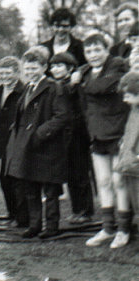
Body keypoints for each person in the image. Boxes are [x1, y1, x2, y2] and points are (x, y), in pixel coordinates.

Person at [73, 33, 132, 249]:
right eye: (89, 51)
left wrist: (80, 79)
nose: (93, 55)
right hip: (97, 133)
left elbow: (102, 88)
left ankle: (124, 230)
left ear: (106, 50)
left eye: (98, 50)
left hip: (118, 132)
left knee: (120, 182)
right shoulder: (85, 71)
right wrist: (79, 74)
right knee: (104, 182)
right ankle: (108, 228)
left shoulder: (117, 65)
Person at [5, 46, 70, 239]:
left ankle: (51, 226)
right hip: (28, 148)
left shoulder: (53, 88)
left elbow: (62, 116)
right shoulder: (27, 88)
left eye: (34, 68)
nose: (30, 72)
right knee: (30, 188)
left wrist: (40, 133)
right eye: (27, 69)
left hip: (47, 147)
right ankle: (35, 225)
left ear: (44, 67)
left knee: (50, 190)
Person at [49, 52, 95, 224]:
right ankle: (78, 209)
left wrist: (76, 81)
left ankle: (85, 211)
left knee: (80, 173)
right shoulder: (60, 84)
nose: (55, 69)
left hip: (78, 135)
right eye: (53, 66)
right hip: (65, 135)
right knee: (70, 173)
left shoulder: (74, 84)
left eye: (59, 66)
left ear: (69, 68)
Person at [0, 56, 28, 228]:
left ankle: (21, 217)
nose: (4, 76)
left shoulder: (24, 91)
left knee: (17, 180)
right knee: (4, 179)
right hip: (3, 141)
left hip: (17, 141)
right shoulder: (0, 90)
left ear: (17, 73)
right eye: (1, 73)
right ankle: (12, 213)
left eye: (8, 73)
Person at [115, 71, 139, 246]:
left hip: (136, 161)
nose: (124, 99)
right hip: (131, 164)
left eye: (128, 95)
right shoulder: (134, 110)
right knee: (136, 202)